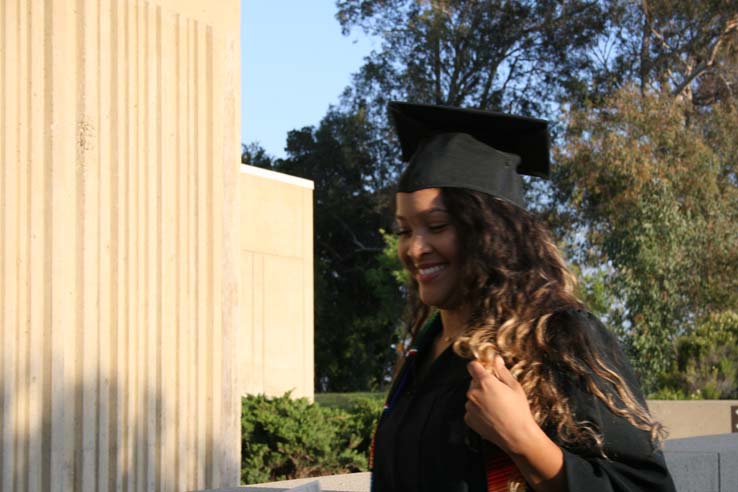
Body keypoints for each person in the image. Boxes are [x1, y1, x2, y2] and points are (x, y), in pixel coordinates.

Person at [369, 101, 677, 492]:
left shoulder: (560, 337)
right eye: (404, 230)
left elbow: (645, 487)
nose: (415, 249)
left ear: (492, 232)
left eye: (437, 225)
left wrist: (525, 442)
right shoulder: (422, 352)